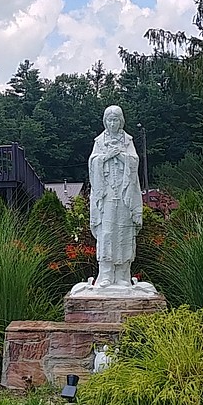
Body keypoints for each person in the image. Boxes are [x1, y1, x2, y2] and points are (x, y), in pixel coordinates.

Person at [88, 105, 143, 287]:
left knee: (124, 231)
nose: (112, 124)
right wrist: (106, 156)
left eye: (116, 120)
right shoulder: (99, 141)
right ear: (105, 121)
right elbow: (93, 162)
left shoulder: (127, 141)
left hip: (124, 192)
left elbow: (134, 161)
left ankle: (122, 275)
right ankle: (105, 274)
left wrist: (119, 156)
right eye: (109, 120)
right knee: (107, 232)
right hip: (107, 193)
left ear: (121, 121)